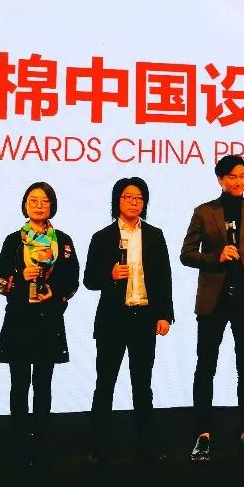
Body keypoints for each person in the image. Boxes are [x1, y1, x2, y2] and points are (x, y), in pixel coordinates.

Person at [181, 155, 244, 461]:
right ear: (220, 179)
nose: (238, 181)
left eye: (242, 175)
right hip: (213, 300)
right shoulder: (204, 211)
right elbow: (186, 254)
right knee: (205, 366)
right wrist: (215, 257)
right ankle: (202, 435)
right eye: (232, 176)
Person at [83, 177, 174, 464]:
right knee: (105, 383)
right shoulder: (102, 237)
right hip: (113, 319)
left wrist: (165, 315)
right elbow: (89, 280)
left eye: (139, 198)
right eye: (128, 197)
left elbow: (164, 277)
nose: (134, 202)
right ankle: (99, 447)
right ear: (117, 201)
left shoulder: (155, 235)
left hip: (144, 317)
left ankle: (146, 447)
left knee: (143, 385)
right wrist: (109, 274)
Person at [0, 182, 80, 468]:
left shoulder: (63, 241)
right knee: (18, 384)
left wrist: (56, 292)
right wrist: (20, 274)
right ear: (25, 204)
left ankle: (41, 440)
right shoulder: (13, 240)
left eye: (44, 201)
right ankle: (19, 441)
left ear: (52, 205)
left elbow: (73, 278)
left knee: (44, 383)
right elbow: (0, 279)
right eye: (33, 200)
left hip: (48, 319)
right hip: (19, 318)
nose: (39, 205)